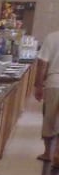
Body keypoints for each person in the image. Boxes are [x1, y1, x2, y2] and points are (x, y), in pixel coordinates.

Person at [35, 29, 59, 165]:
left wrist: (38, 85)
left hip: (54, 83)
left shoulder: (52, 37)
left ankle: (48, 153)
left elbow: (42, 64)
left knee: (49, 117)